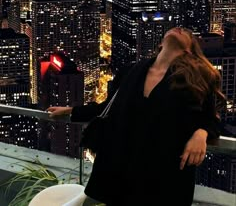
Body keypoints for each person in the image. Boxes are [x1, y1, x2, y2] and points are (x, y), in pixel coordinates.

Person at [48, 27, 226, 206]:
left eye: (186, 33)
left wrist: (201, 133)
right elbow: (107, 108)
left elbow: (212, 118)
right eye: (174, 29)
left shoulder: (196, 79)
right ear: (160, 44)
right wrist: (72, 111)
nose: (179, 29)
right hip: (123, 169)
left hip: (165, 174)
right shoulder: (130, 71)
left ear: (189, 50)